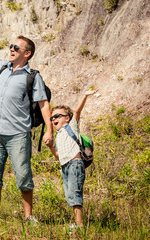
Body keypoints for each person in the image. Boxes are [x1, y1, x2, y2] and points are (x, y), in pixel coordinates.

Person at [0, 34, 53, 226]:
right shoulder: (4, 68)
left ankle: (28, 217)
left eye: (16, 47)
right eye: (11, 46)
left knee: (23, 175)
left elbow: (44, 104)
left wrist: (49, 131)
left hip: (18, 135)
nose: (11, 49)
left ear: (27, 53)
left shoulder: (33, 77)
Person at [45, 89, 99, 231]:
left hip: (75, 164)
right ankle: (77, 223)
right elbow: (59, 156)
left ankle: (79, 225)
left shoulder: (71, 127)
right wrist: (51, 147)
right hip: (65, 166)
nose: (54, 119)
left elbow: (77, 112)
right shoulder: (58, 136)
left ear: (67, 118)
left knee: (75, 192)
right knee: (69, 195)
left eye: (57, 116)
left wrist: (85, 96)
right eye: (52, 118)